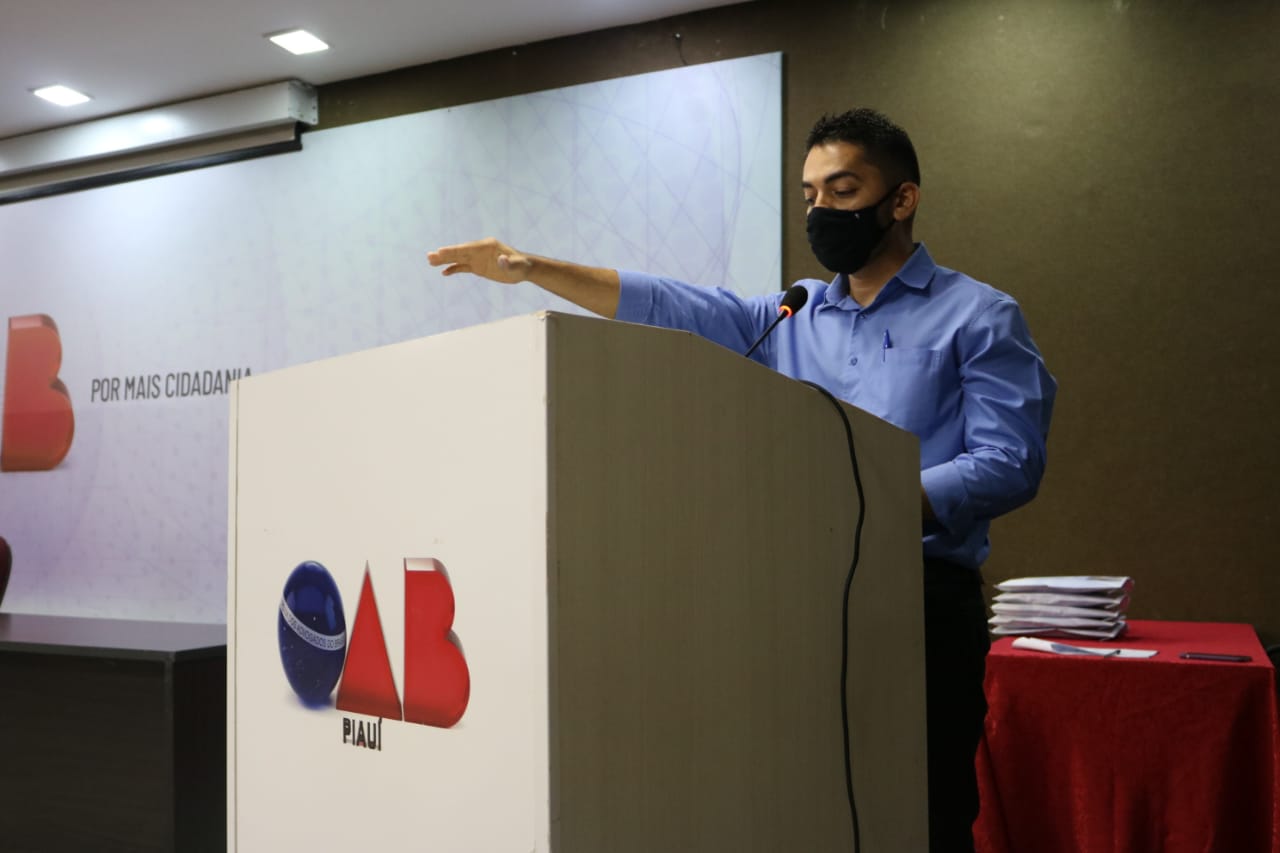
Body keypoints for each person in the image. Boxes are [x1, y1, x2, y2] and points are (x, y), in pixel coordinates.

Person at [429, 107, 1056, 853]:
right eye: (809, 195)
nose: (821, 211)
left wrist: (876, 500)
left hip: (920, 602)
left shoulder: (979, 315)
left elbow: (1010, 460)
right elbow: (668, 304)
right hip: (798, 605)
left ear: (902, 198)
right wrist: (533, 267)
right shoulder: (792, 313)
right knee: (806, 806)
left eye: (842, 190)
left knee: (924, 812)